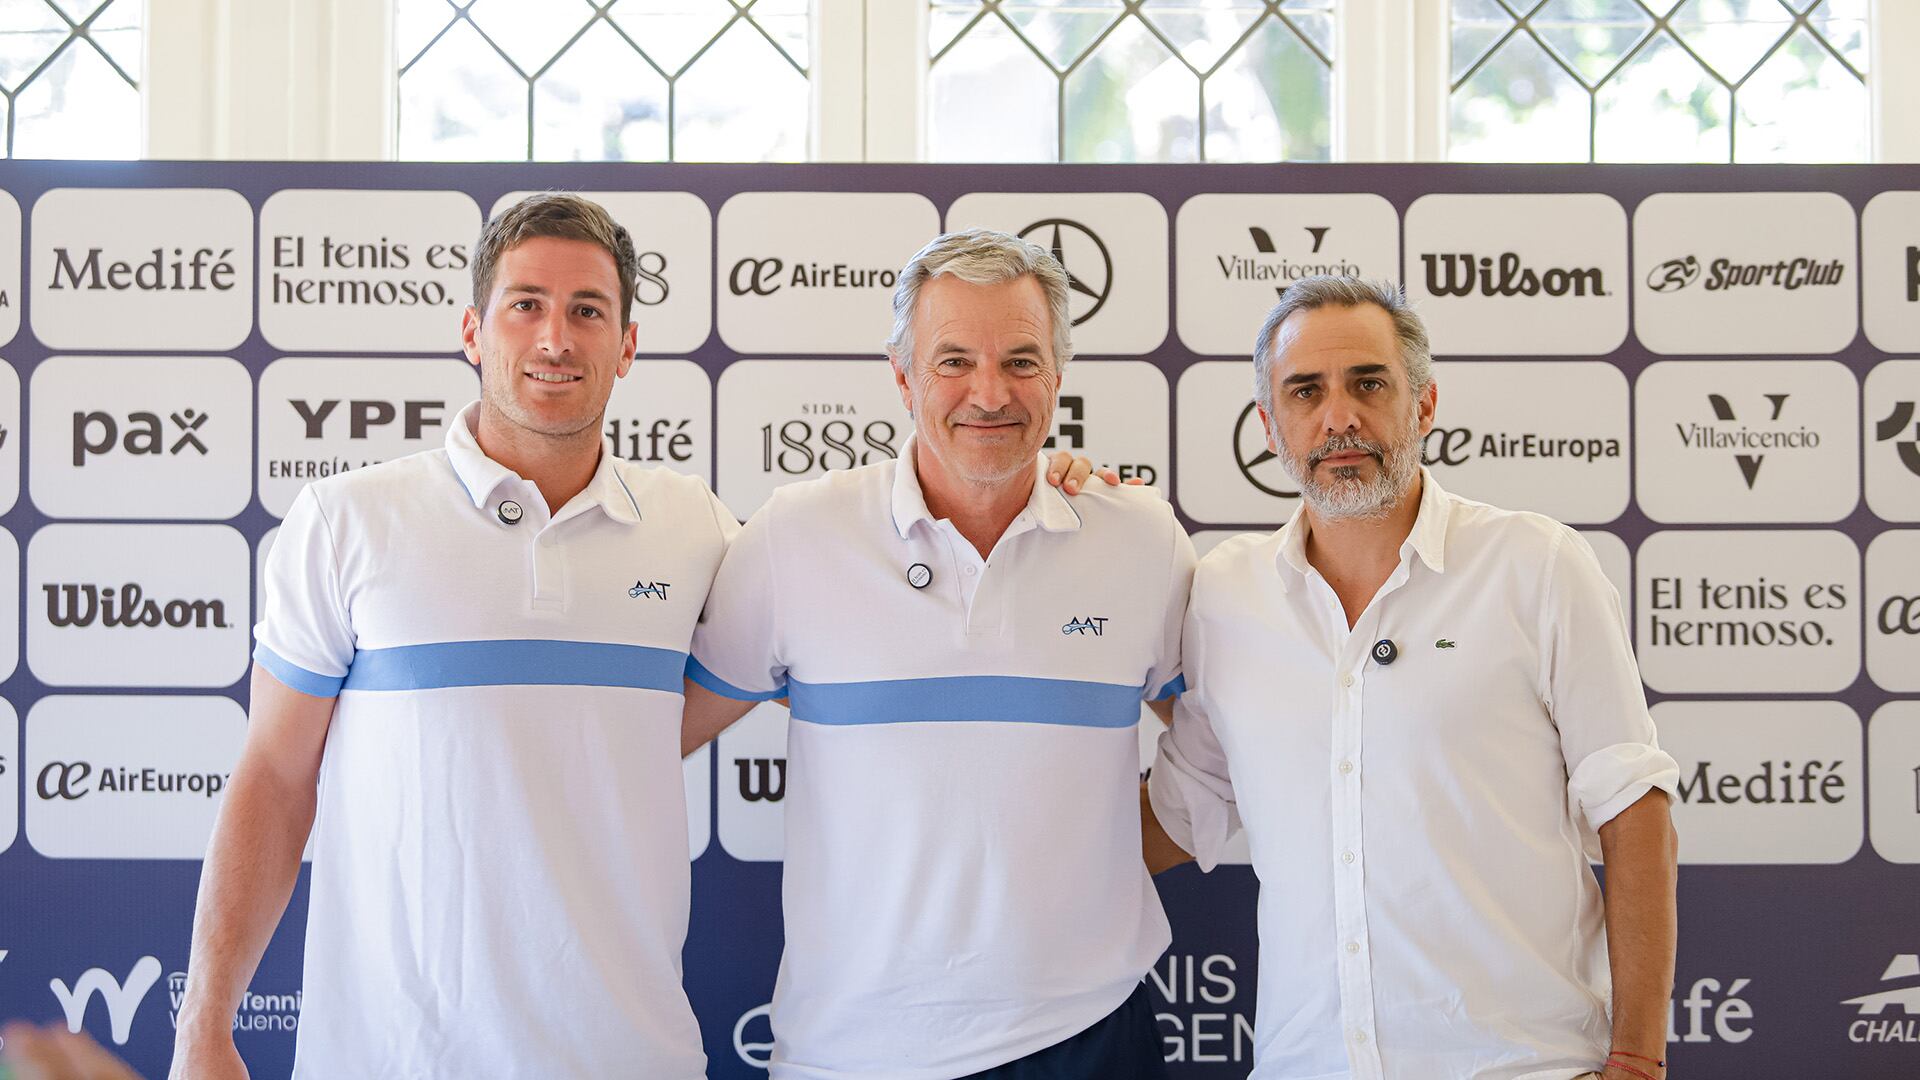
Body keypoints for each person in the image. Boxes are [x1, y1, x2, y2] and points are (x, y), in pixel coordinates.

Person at [167, 195, 1107, 1080]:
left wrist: (1034, 477)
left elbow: (878, 571)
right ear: (470, 331)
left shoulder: (695, 529)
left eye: (587, 310)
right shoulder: (346, 519)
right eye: (524, 305)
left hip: (629, 1053)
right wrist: (207, 1016)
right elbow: (274, 778)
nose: (554, 337)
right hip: (394, 1053)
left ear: (626, 348)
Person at [681, 229, 1194, 1080]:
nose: (988, 393)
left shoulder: (1139, 539)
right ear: (903, 375)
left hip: (1090, 1036)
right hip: (853, 1049)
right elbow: (653, 730)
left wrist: (1095, 853)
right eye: (953, 360)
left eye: (1021, 361)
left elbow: (1229, 741)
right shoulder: (796, 537)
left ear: (1058, 376)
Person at [1144, 276, 1680, 1080]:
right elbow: (1184, 813)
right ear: (1269, 425)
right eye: (1305, 392)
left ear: (1423, 405)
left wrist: (1638, 1058)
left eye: (1368, 384)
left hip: (1522, 1066)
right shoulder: (1225, 594)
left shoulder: (1534, 567)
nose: (1339, 417)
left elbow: (1634, 811)